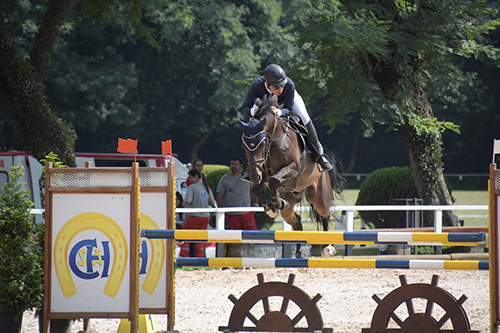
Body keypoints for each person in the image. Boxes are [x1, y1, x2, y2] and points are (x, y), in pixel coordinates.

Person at [241, 64, 333, 171]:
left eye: (282, 85)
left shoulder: (289, 85)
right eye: (276, 87)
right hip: (266, 106)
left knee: (304, 116)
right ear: (267, 84)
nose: (280, 89)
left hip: (285, 103)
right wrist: (252, 111)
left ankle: (319, 153)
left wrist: (279, 112)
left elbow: (289, 109)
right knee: (252, 125)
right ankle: (251, 165)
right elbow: (244, 109)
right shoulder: (256, 86)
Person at [180, 169, 215, 257]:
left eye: (191, 178)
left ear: (196, 176)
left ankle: (184, 256)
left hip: (194, 216)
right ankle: (199, 257)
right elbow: (212, 202)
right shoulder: (205, 187)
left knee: (186, 236)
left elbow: (188, 201)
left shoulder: (192, 187)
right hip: (205, 217)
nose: (190, 180)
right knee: (200, 237)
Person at [216, 156, 257, 230]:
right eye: (232, 164)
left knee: (251, 236)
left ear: (240, 166)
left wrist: (255, 204)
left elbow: (253, 190)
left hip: (246, 213)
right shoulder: (224, 179)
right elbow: (220, 194)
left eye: (236, 164)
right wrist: (220, 210)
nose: (233, 166)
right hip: (231, 214)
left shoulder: (247, 177)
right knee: (231, 237)